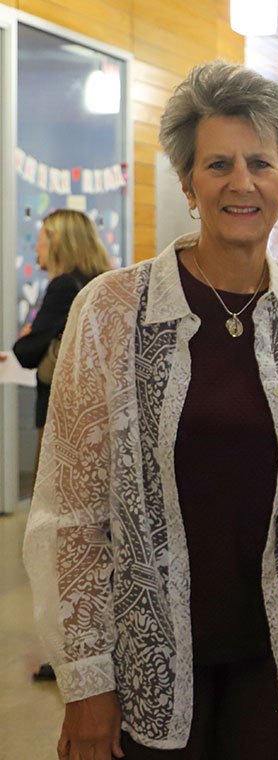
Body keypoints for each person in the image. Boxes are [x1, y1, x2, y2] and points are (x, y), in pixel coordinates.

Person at [23, 60, 278, 760]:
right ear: (189, 184)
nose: (242, 182)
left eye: (262, 162)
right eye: (217, 163)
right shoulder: (109, 309)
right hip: (146, 661)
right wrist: (86, 682)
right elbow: (70, 514)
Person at [14, 209, 110, 683]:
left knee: (61, 532)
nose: (36, 250)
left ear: (60, 242)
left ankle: (67, 650)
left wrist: (33, 336)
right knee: (98, 533)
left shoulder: (62, 288)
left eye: (41, 240)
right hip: (102, 423)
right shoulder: (105, 281)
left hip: (63, 420)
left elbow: (26, 352)